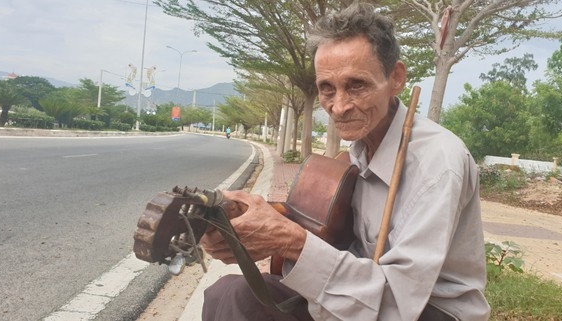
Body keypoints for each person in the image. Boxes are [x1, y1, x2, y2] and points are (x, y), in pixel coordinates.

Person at [200, 3, 490, 320]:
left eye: (356, 85)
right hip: (362, 289)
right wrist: (251, 223)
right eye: (327, 89)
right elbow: (334, 238)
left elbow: (397, 301)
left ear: (396, 78)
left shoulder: (437, 162)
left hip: (425, 308)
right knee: (230, 294)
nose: (339, 107)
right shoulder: (356, 152)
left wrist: (292, 241)